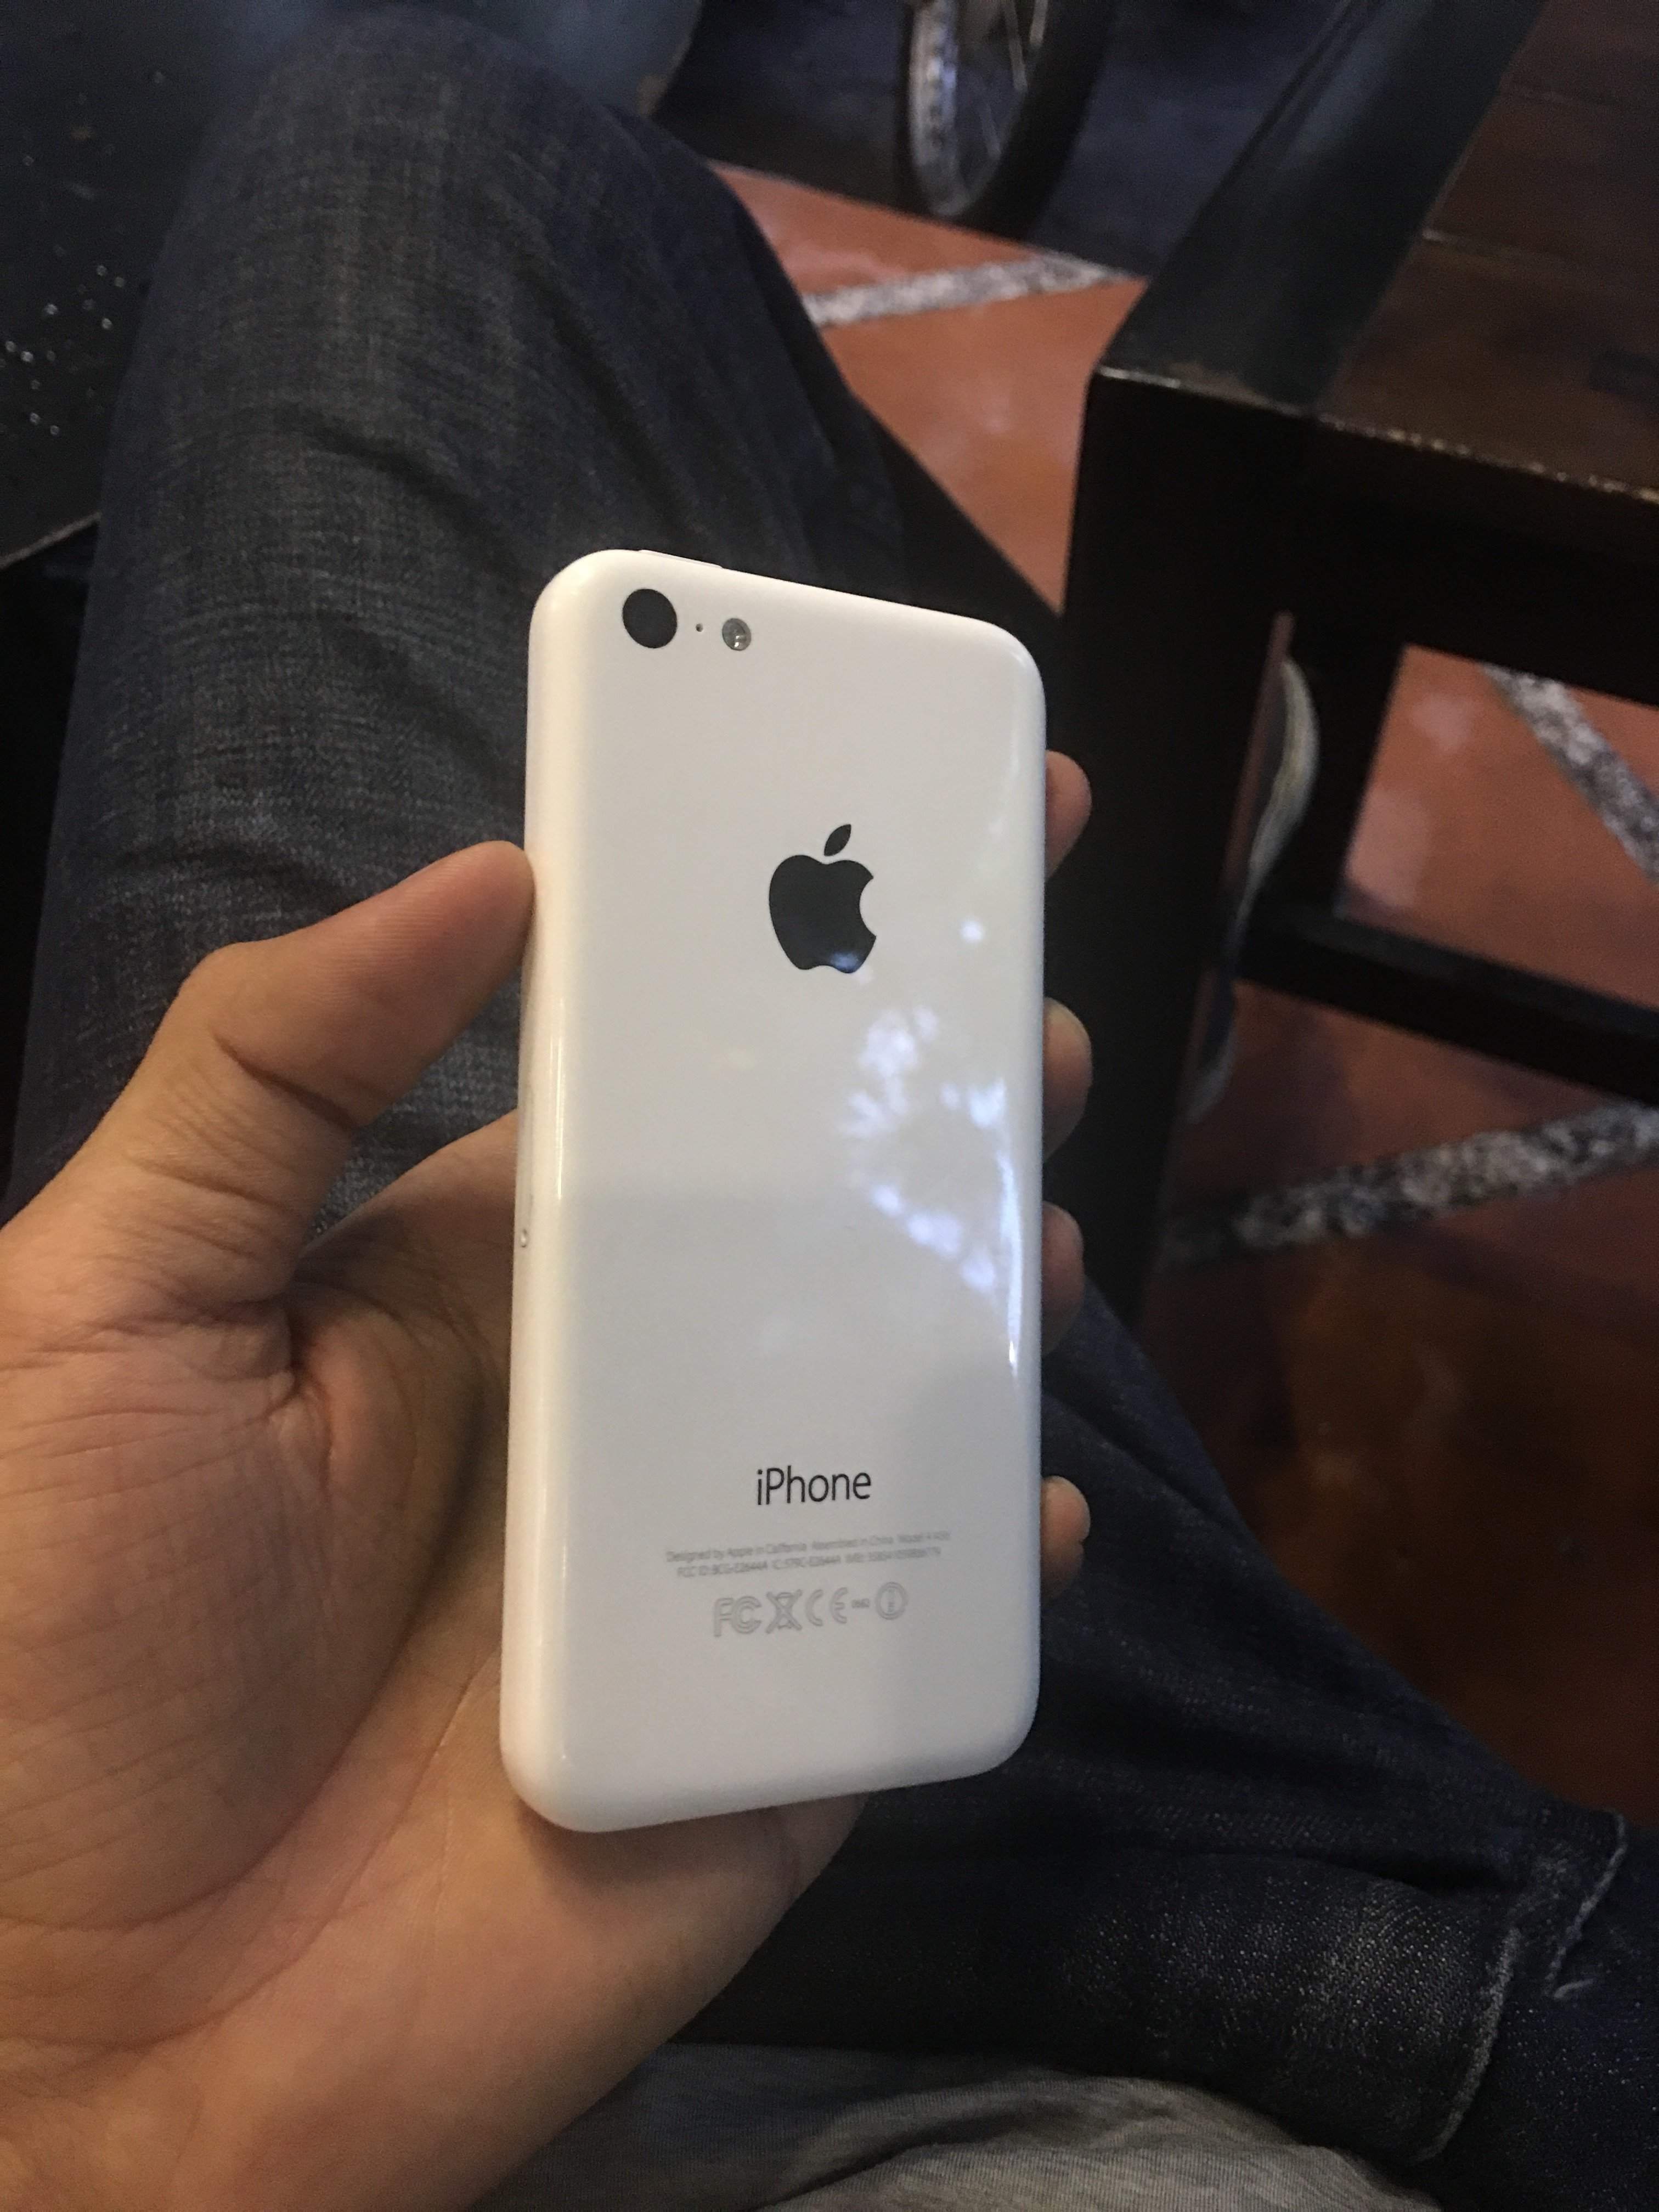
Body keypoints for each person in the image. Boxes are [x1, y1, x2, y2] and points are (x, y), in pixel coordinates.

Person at [0, 13, 1652, 2208]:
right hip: (1329, 2007)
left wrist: (73, 2082)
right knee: (414, 151)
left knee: (409, 143)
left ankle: (1160, 855)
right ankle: (1182, 862)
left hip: (413, 1967)